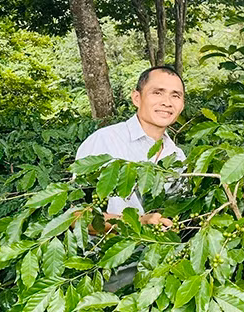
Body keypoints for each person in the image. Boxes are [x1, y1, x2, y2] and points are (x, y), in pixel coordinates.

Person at [76, 65, 186, 231]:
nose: (167, 102)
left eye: (175, 96)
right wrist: (138, 222)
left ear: (182, 105)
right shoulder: (104, 141)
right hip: (105, 254)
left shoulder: (178, 156)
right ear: (137, 98)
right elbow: (76, 216)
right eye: (157, 93)